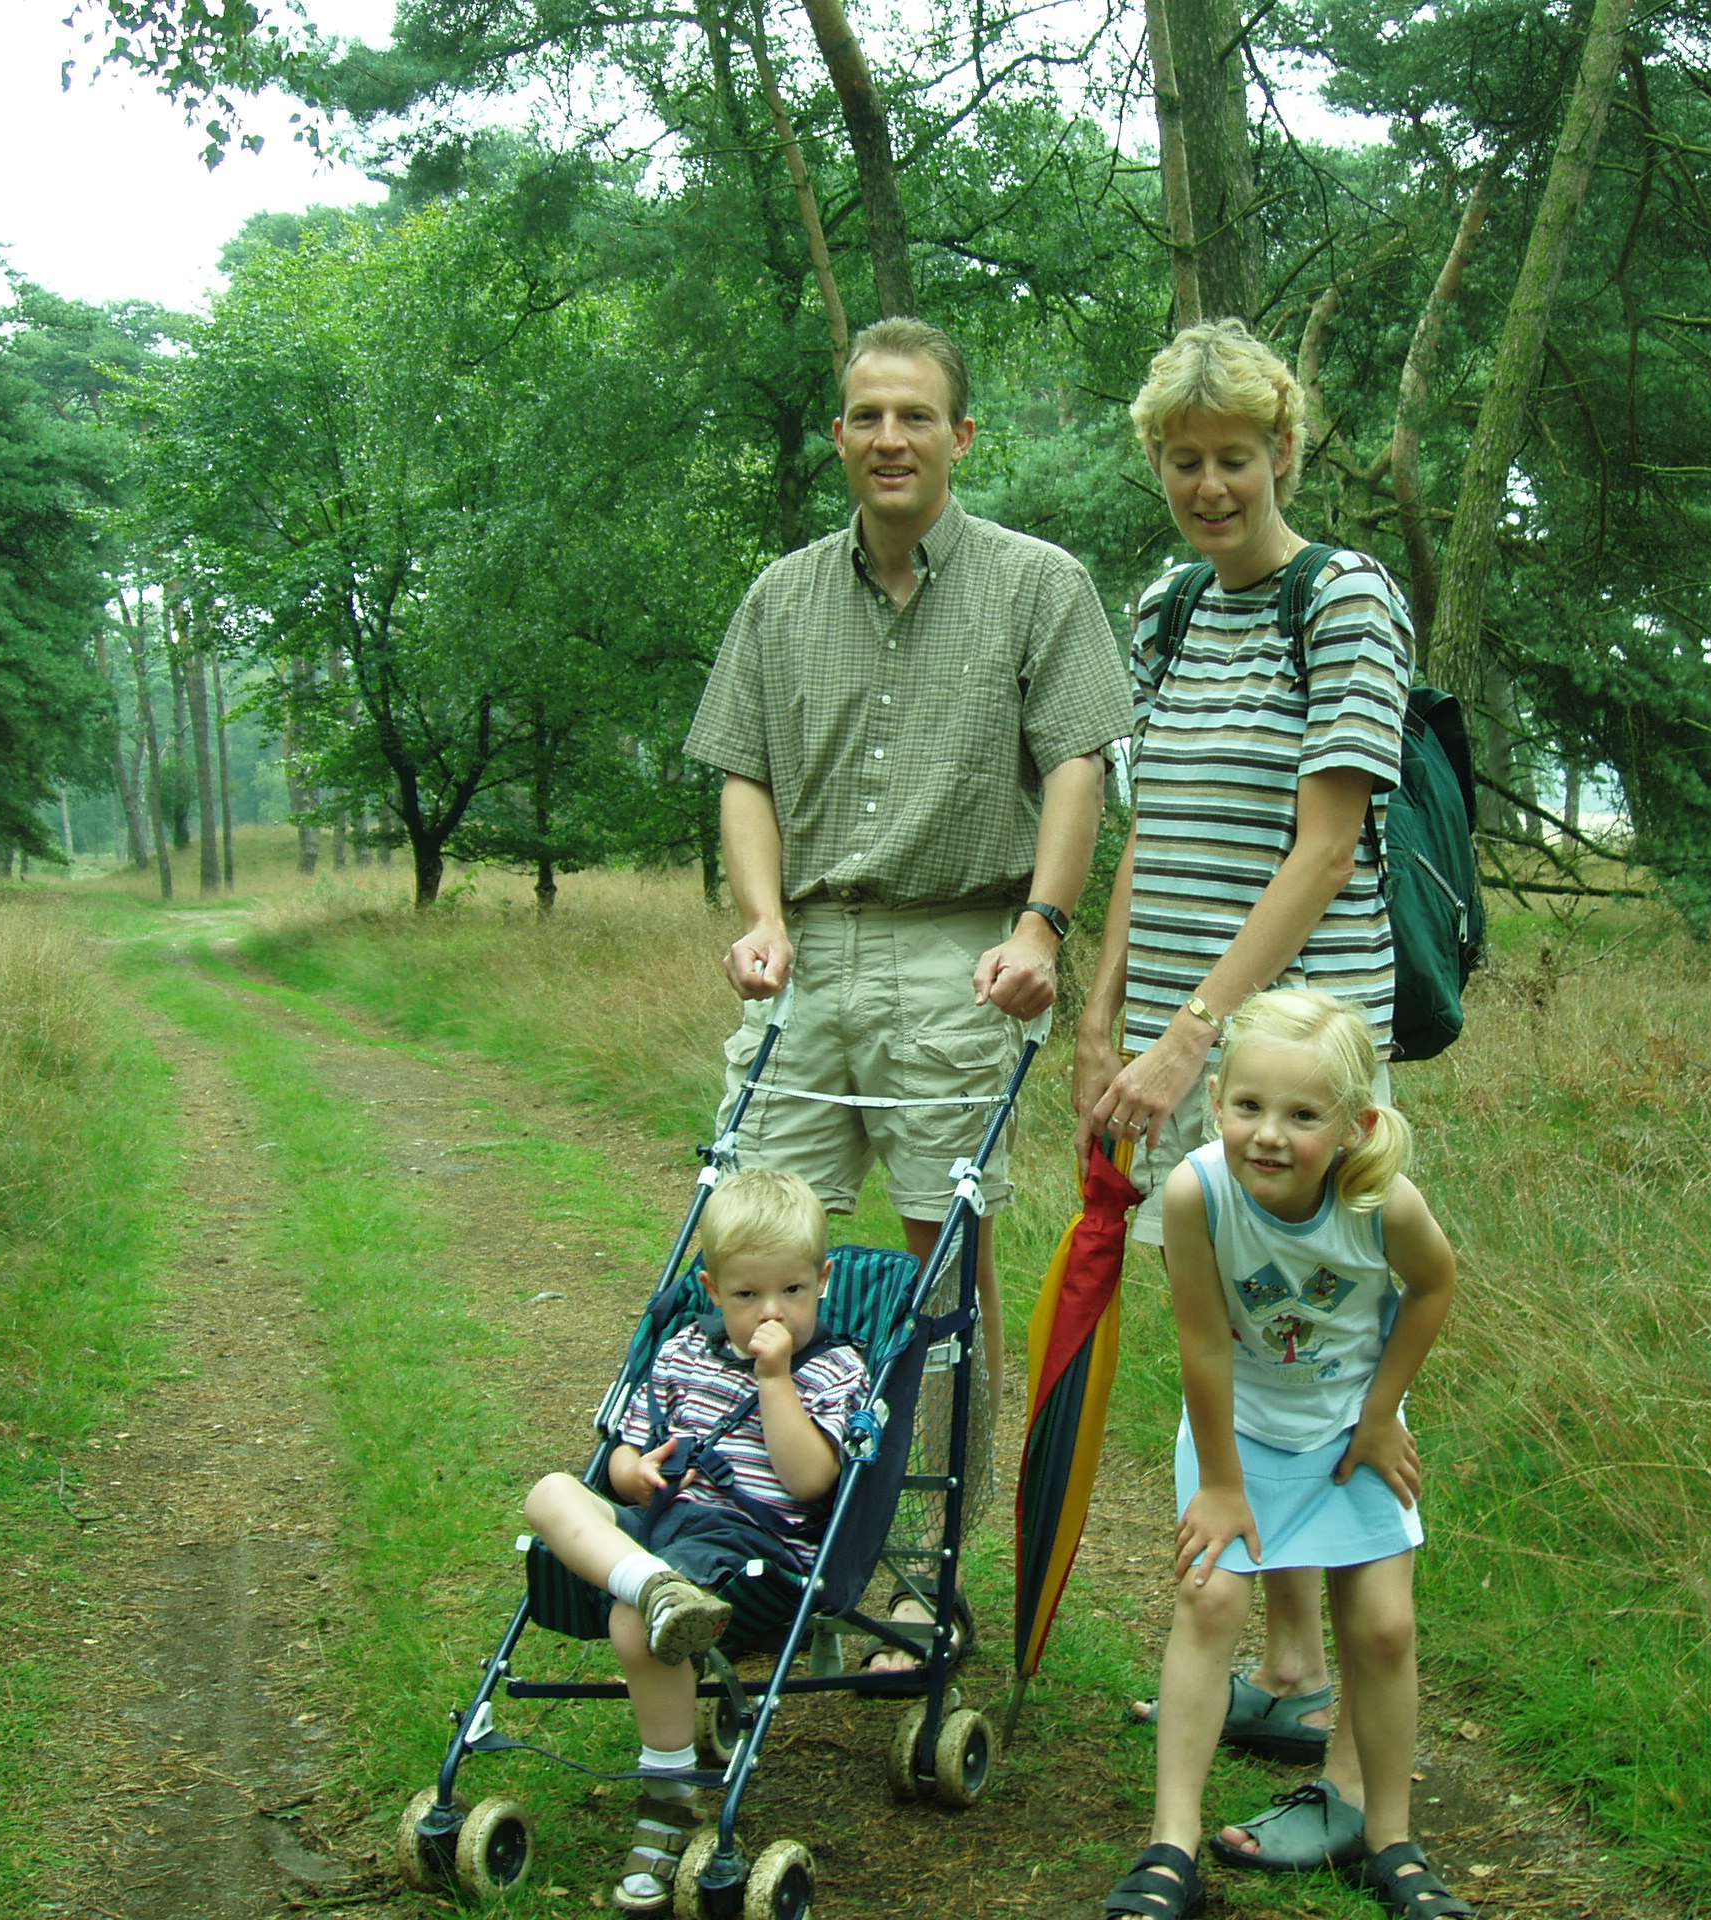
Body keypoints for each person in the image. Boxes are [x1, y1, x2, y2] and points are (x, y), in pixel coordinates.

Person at [684, 315, 1130, 1635]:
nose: (891, 439)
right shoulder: (780, 598)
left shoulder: (1038, 585)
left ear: (960, 436)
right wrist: (761, 920)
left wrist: (1042, 929)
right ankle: (749, 1551)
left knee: (941, 1291)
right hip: (806, 960)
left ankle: (929, 1578)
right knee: (752, 1263)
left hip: (960, 954)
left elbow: (1078, 765)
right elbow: (743, 774)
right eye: (868, 416)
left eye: (916, 416)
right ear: (840, 435)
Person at [1075, 317, 1415, 1863]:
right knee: (1226, 1324)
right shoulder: (1163, 608)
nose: (1211, 486)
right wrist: (1106, 1019)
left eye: (1235, 456)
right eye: (1184, 459)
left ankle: (1353, 1757)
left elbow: (1328, 844)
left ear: (1285, 449)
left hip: (1293, 1050)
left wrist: (1193, 1037)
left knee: (1326, 1339)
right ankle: (1281, 1668)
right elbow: (1150, 830)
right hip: (1176, 1046)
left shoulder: (1344, 598)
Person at [1101, 990, 1465, 1920]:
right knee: (1210, 1598)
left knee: (1384, 1627)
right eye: (1249, 1106)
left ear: (1355, 1126)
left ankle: (1391, 1840)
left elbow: (1434, 1284)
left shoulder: (1380, 1202)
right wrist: (1222, 1484)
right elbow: (1204, 1344)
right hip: (1241, 1429)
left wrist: (1379, 1415)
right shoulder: (1197, 1193)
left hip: (1350, 1428)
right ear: (1215, 1099)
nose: (1268, 1135)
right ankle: (1171, 1844)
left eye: (1304, 1116)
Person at [521, 1170, 867, 1917]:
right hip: (665, 1529)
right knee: (550, 1492)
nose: (771, 1312)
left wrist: (775, 1379)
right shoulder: (682, 1351)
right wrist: (633, 1471)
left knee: (633, 1621)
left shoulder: (835, 1369)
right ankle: (651, 1587)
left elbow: (810, 1479)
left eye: (792, 1291)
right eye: (747, 1295)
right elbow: (626, 1453)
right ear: (711, 1291)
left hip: (756, 1551)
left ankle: (669, 1802)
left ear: (823, 1282)